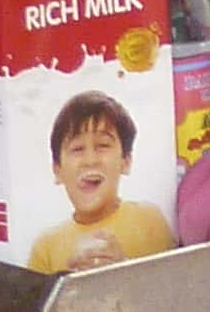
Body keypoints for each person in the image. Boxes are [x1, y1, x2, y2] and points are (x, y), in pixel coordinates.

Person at [25, 90, 173, 270]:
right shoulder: (46, 247)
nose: (90, 160)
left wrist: (123, 267)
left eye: (103, 146)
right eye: (77, 149)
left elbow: (174, 282)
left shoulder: (148, 219)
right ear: (57, 170)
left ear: (125, 161)